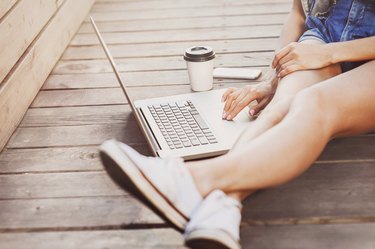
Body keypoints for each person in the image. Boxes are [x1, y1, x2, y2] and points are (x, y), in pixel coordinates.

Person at [99, 0, 375, 248]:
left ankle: (190, 179)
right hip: (323, 36)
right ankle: (220, 210)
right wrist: (271, 80)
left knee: (315, 103)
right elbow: (298, 13)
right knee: (278, 109)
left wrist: (330, 54)